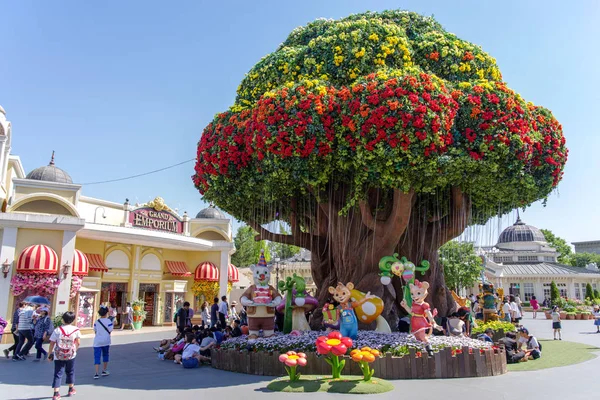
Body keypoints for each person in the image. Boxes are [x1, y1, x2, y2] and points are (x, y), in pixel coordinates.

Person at [48, 311, 80, 400]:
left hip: (58, 354)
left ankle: (56, 393)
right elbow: (78, 342)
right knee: (70, 371)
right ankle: (70, 389)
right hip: (71, 355)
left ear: (63, 319)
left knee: (58, 373)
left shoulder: (58, 330)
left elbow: (52, 343)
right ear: (72, 320)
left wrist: (50, 353)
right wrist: (74, 350)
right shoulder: (76, 329)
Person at [93, 306, 113, 379]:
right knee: (105, 355)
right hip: (106, 341)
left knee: (97, 356)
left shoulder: (96, 321)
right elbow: (110, 330)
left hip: (97, 341)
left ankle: (96, 372)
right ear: (106, 313)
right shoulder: (108, 321)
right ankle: (104, 370)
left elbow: (95, 330)